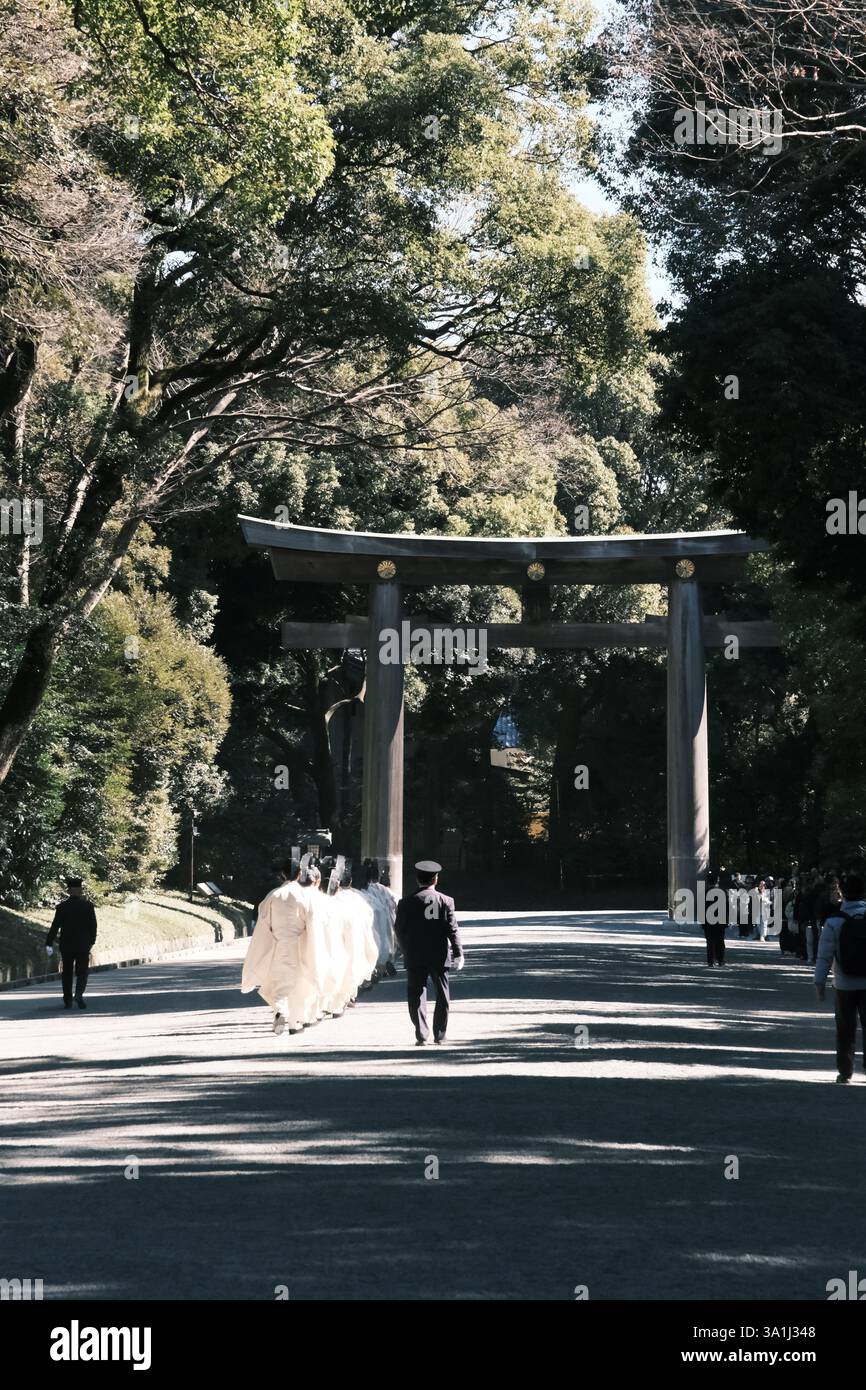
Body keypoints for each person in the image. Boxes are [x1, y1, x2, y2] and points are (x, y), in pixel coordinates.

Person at [241, 859, 313, 1035]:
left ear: (283, 874)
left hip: (279, 944)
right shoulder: (304, 896)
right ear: (299, 874)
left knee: (279, 983)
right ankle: (295, 1023)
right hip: (300, 944)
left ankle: (280, 1011)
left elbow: (264, 920)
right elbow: (311, 922)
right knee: (300, 983)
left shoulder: (273, 895)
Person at [395, 859, 462, 1045]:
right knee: (442, 994)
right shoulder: (446, 901)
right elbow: (452, 929)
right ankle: (439, 1033)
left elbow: (399, 929)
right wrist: (458, 953)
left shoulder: (406, 902)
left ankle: (421, 1033)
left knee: (416, 993)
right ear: (436, 879)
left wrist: (404, 948)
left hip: (415, 954)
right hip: (439, 953)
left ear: (417, 879)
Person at [815, 872, 866, 1084]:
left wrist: (819, 983)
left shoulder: (834, 921)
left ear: (843, 894)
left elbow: (824, 955)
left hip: (844, 983)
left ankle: (845, 1071)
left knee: (845, 1029)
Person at [45, 877, 98, 1009]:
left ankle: (67, 999)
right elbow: (93, 925)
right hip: (83, 944)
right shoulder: (88, 906)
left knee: (67, 972)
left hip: (67, 944)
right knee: (82, 972)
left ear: (68, 890)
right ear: (80, 890)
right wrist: (92, 941)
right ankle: (79, 994)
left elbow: (55, 926)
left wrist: (49, 942)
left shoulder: (62, 907)